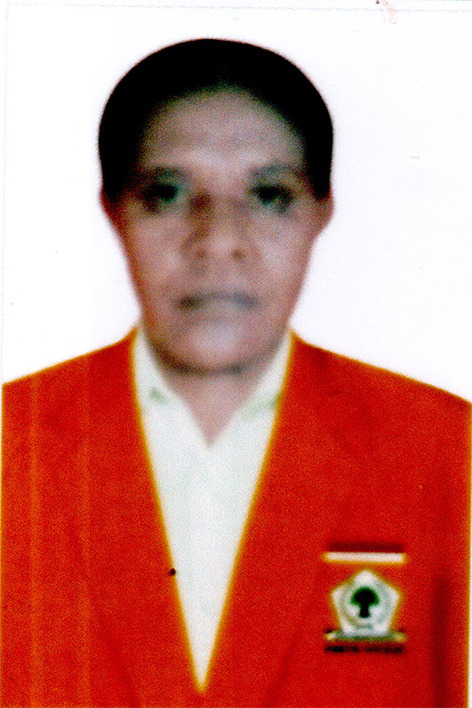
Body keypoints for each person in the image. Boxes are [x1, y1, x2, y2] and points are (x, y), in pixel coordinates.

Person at [1, 39, 470, 708]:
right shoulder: (11, 444)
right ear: (113, 208)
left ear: (322, 209)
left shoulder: (445, 453)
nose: (219, 240)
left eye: (269, 195)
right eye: (167, 194)